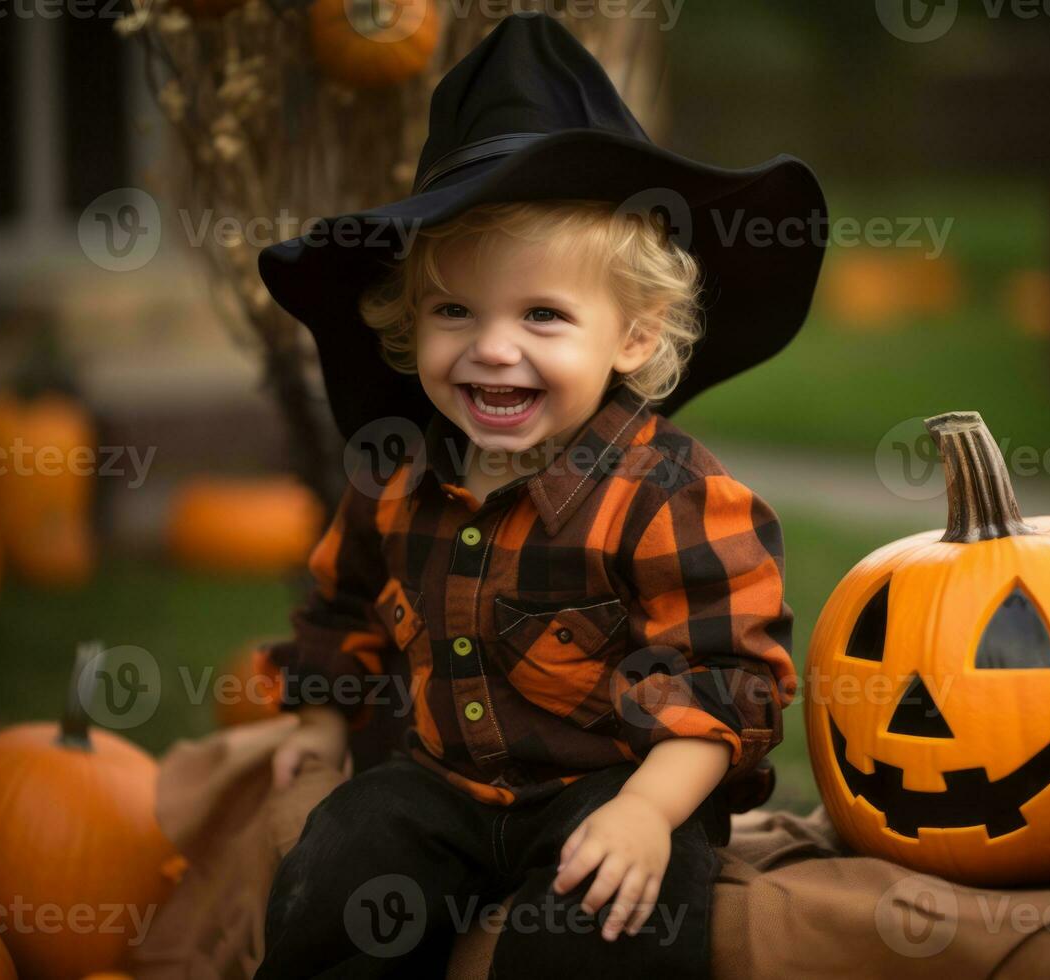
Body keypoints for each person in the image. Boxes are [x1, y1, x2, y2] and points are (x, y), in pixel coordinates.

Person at [252, 11, 827, 978]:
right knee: (342, 861)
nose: (491, 347)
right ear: (408, 324)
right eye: (453, 312)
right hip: (441, 786)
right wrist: (317, 719)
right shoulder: (397, 477)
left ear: (633, 337)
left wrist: (649, 812)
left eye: (543, 315)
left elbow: (727, 679)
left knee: (610, 921)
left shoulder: (670, 497)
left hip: (615, 784)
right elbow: (340, 604)